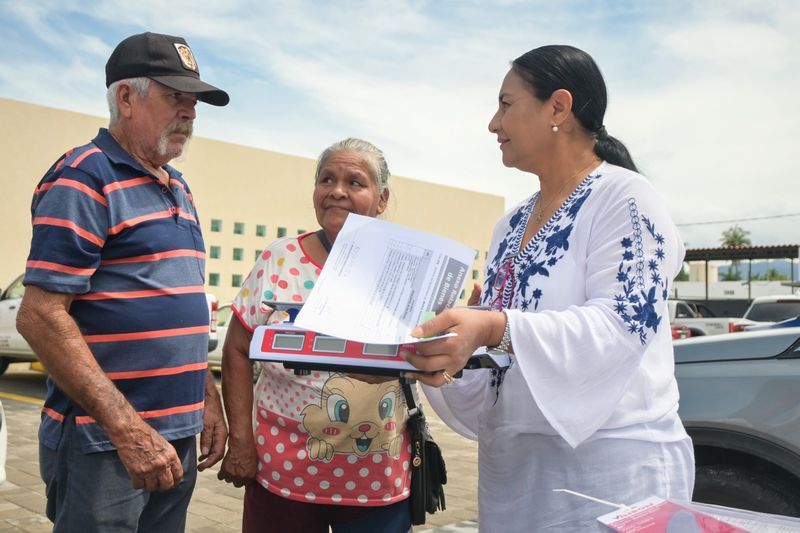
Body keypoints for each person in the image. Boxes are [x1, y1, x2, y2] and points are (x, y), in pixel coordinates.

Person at [404, 45, 695, 531]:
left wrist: (496, 325)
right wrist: (446, 354)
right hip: (514, 476)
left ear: (558, 107)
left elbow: (621, 325)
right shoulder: (510, 225)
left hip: (610, 476)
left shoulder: (626, 199)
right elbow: (500, 370)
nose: (493, 124)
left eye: (505, 104)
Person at [16, 32, 229, 532]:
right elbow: (40, 315)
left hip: (174, 439)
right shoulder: (83, 178)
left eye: (194, 101)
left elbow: (179, 306)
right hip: (107, 445)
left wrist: (207, 396)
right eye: (175, 97)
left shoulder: (177, 187)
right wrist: (129, 431)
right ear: (127, 97)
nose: (191, 113)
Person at [218, 138, 413, 532]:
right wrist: (241, 441)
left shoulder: (406, 266)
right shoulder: (280, 258)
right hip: (282, 475)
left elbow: (427, 355)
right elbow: (238, 349)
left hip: (374, 480)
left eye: (355, 182)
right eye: (326, 179)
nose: (337, 191)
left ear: (382, 198)